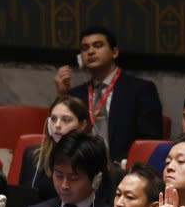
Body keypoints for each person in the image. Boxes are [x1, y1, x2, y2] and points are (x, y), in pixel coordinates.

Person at [54, 26, 162, 163]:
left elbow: (150, 141)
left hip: (125, 169)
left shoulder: (140, 90)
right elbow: (61, 137)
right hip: (82, 168)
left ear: (115, 52)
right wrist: (62, 95)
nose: (91, 51)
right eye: (85, 48)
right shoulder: (75, 95)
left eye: (98, 45)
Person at [18, 95, 91, 202]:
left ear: (82, 125)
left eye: (66, 120)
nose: (57, 125)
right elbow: (23, 201)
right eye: (53, 119)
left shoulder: (92, 158)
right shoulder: (33, 155)